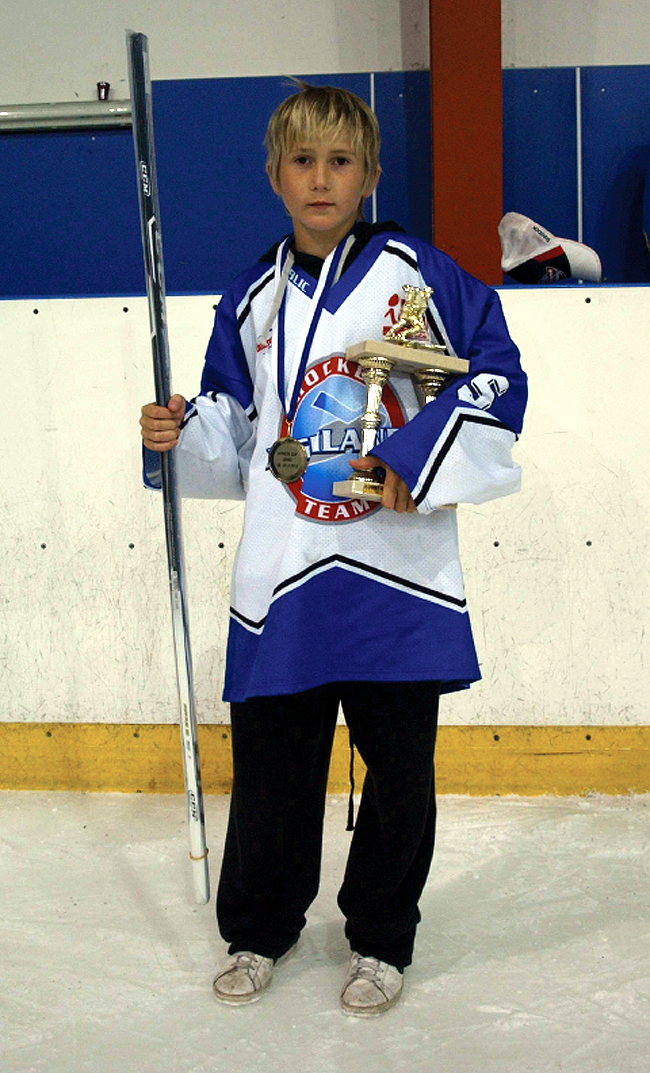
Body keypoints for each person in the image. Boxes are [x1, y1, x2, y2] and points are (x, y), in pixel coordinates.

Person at [140, 82, 527, 1016]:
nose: (322, 179)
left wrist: (414, 457)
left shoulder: (417, 275)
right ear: (275, 176)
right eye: (303, 161)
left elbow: (496, 376)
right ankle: (259, 926)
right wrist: (180, 432)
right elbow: (238, 426)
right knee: (273, 769)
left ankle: (382, 935)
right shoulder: (253, 296)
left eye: (340, 161)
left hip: (398, 572)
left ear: (370, 175)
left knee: (400, 774)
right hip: (286, 570)